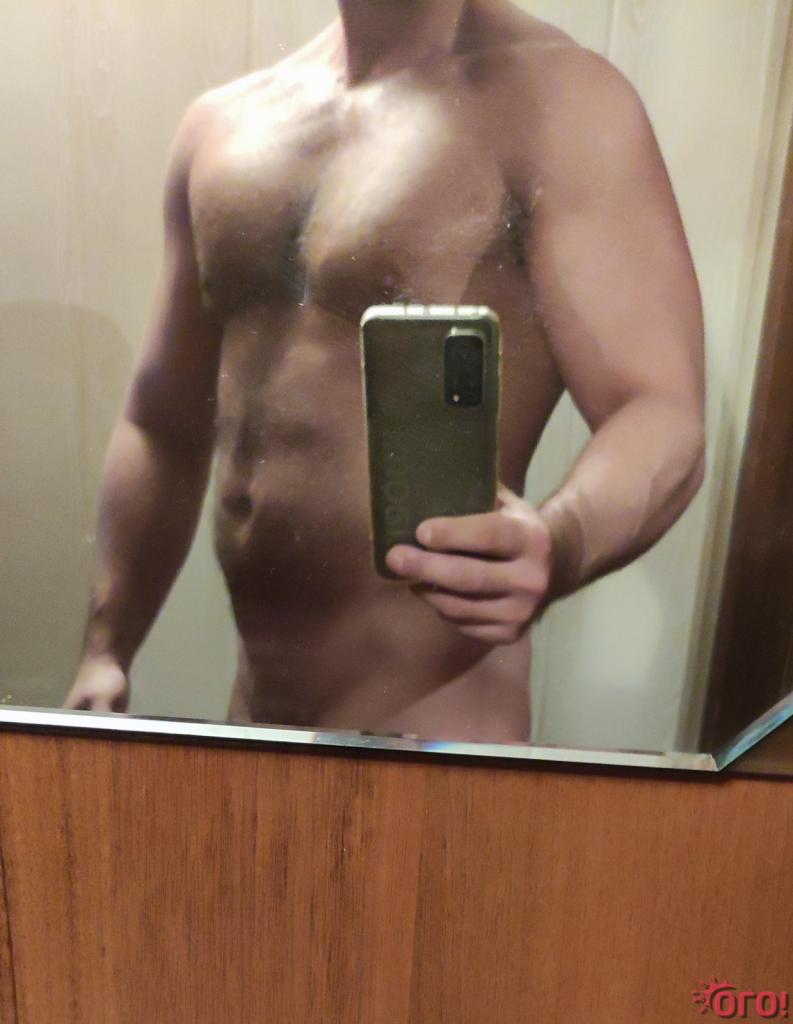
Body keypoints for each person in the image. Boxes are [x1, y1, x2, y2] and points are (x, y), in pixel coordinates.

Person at [64, 0, 705, 742]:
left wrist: (562, 542)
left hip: (435, 734)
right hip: (252, 728)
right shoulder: (222, 125)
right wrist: (106, 649)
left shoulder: (558, 101)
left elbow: (660, 409)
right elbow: (161, 421)